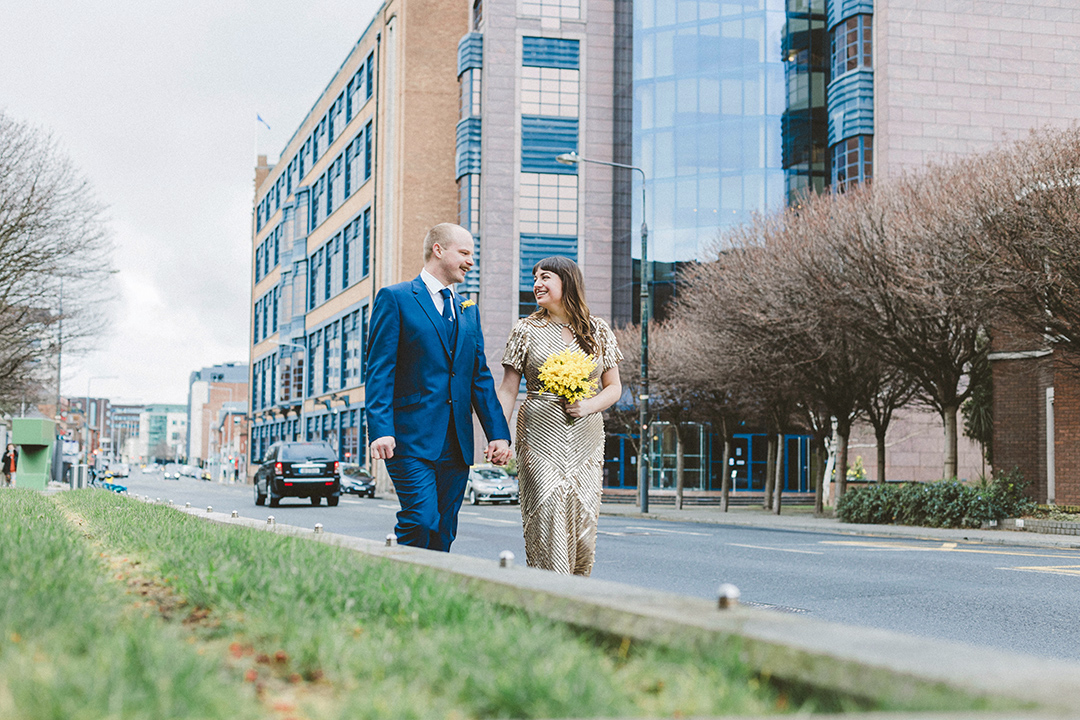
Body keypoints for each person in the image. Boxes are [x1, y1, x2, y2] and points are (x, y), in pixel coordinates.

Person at [366, 223, 512, 552]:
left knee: (444, 529)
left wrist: (498, 434)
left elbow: (479, 378)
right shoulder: (396, 299)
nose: (470, 262)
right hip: (409, 439)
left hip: (456, 443)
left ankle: (430, 597)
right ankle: (400, 586)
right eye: (464, 253)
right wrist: (380, 429)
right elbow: (380, 370)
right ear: (439, 250)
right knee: (421, 519)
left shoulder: (468, 311)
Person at [497, 256, 622, 575]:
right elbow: (509, 389)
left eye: (546, 277)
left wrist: (589, 405)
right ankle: (548, 591)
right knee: (547, 511)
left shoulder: (598, 330)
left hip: (586, 437)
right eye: (534, 277)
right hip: (539, 436)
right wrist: (500, 434)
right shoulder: (526, 329)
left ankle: (576, 591)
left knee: (582, 517)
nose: (537, 283)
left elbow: (613, 387)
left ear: (567, 282)